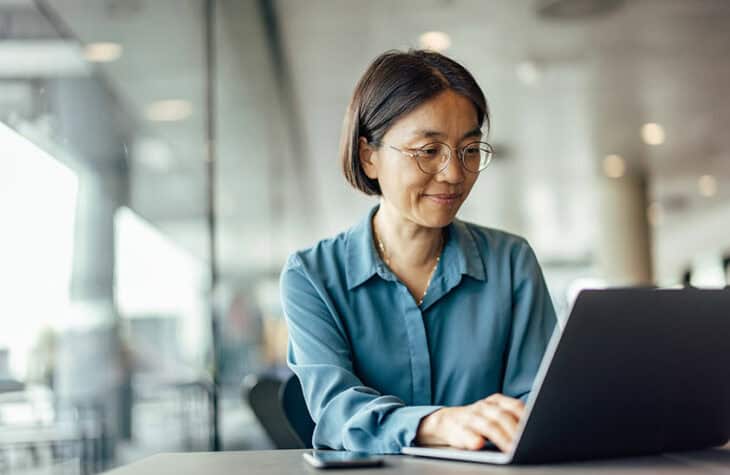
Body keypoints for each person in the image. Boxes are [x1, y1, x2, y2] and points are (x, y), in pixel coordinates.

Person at [279, 49, 557, 454]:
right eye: (429, 151)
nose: (454, 174)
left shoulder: (511, 262)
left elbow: (537, 402)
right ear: (368, 156)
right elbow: (337, 411)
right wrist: (439, 422)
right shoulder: (312, 275)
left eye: (469, 150)